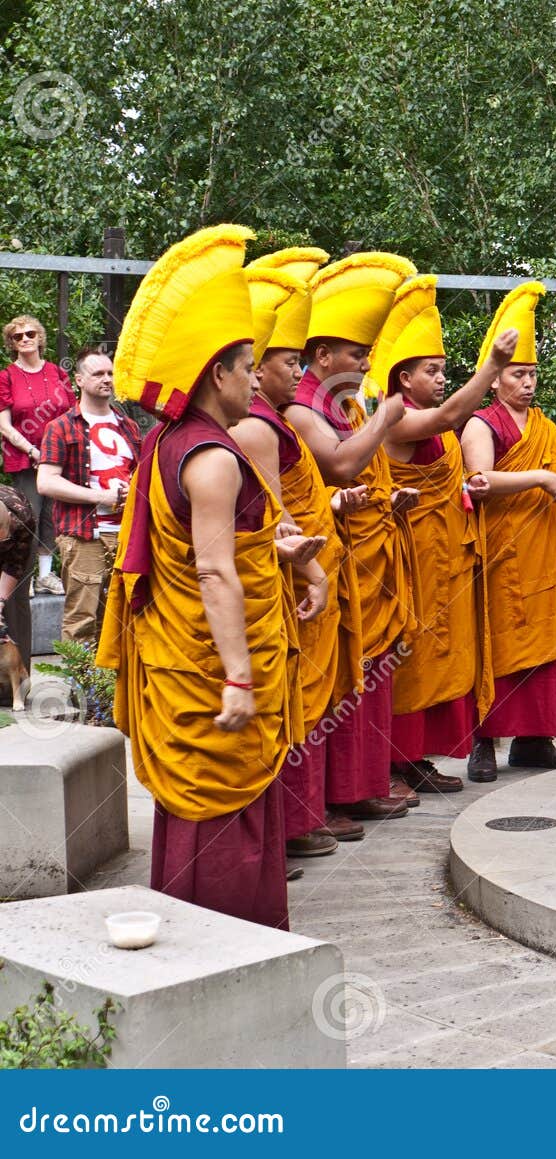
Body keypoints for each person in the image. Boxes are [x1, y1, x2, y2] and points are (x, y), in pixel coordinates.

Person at [96, 223, 322, 928]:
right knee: (226, 818)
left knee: (199, 811)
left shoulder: (170, 440)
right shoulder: (215, 457)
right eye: (248, 364)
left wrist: (287, 558)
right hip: (210, 659)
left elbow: (224, 546)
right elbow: (215, 570)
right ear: (217, 373)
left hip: (178, 654)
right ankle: (226, 943)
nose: (256, 378)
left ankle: (198, 937)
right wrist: (238, 674)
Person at [284, 251, 420, 824]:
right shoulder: (299, 408)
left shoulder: (342, 402)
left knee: (359, 677)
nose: (366, 365)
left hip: (359, 549)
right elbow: (338, 466)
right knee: (327, 684)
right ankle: (324, 801)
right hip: (321, 555)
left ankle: (358, 787)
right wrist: (386, 417)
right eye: (357, 354)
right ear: (322, 355)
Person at [232, 254, 357, 858]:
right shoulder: (257, 427)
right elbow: (273, 516)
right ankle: (291, 826)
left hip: (297, 568)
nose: (292, 373)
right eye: (285, 362)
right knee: (292, 701)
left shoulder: (270, 422)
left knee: (304, 700)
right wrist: (310, 567)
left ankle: (299, 822)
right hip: (276, 580)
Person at [463, 282, 556, 782]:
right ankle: (483, 743)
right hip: (502, 553)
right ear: (495, 379)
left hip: (547, 553)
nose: (528, 383)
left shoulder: (544, 424)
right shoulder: (482, 424)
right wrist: (543, 480)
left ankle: (535, 742)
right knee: (495, 644)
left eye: (533, 375)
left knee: (546, 650)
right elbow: (479, 483)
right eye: (518, 375)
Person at [379, 276, 513, 792]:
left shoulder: (424, 416)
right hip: (412, 552)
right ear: (403, 378)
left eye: (441, 370)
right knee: (412, 653)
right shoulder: (396, 418)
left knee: (439, 652)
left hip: (444, 549)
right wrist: (493, 367)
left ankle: (417, 758)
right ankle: (398, 759)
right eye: (430, 371)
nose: (439, 378)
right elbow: (454, 413)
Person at [35, 348, 143, 647]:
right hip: (85, 536)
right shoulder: (60, 426)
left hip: (127, 534)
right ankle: (79, 691)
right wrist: (102, 496)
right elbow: (46, 482)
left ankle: (114, 691)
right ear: (79, 380)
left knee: (122, 617)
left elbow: (140, 475)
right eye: (98, 374)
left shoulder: (129, 426)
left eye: (110, 373)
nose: (107, 379)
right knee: (81, 620)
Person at [0, 315, 74, 652]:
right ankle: (24, 578)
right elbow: (3, 424)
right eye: (18, 337)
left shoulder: (58, 372)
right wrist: (32, 449)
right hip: (25, 456)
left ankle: (46, 573)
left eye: (30, 334)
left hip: (60, 456)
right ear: (12, 343)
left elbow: (71, 409)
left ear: (40, 337)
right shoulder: (6, 377)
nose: (25, 339)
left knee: (52, 517)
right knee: (28, 516)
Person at [0, 485, 37, 676]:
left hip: (17, 551)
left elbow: (15, 566)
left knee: (14, 603)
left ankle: (18, 686)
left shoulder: (23, 519)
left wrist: (0, 601)